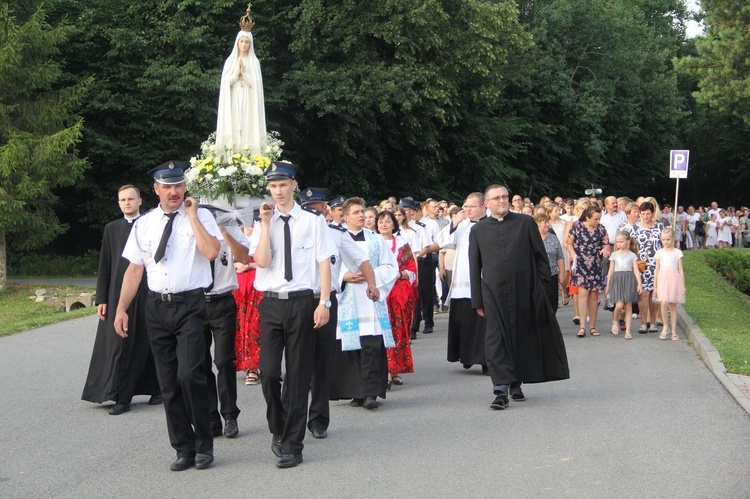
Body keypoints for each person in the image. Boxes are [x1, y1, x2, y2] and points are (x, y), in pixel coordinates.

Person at [115, 161, 222, 471]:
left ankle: (204, 445)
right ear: (156, 189)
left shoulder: (201, 217)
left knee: (190, 375)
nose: (174, 191)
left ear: (185, 188)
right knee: (168, 383)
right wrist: (121, 309)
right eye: (168, 186)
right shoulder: (144, 223)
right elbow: (135, 269)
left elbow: (212, 252)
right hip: (156, 307)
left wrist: (191, 216)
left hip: (190, 305)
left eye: (179, 186)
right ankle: (183, 448)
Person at [249, 163, 335, 468]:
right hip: (271, 303)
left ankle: (292, 444)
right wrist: (265, 223)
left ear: (294, 185)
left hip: (302, 301)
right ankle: (279, 426)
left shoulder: (312, 222)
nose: (278, 191)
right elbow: (261, 261)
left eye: (283, 185)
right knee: (269, 373)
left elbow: (324, 262)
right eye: (273, 186)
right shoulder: (263, 222)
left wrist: (324, 302)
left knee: (298, 375)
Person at [469, 185, 569, 410]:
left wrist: (540, 290)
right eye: (497, 198)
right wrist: (477, 300)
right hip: (493, 294)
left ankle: (516, 383)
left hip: (524, 291)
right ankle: (500, 389)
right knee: (496, 339)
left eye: (505, 196)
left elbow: (541, 260)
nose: (502, 201)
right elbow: (474, 267)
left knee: (521, 337)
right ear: (487, 204)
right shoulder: (479, 230)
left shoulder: (525, 224)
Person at [295, 187, 376, 439]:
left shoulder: (336, 235)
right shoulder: (293, 230)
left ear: (325, 209)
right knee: (296, 364)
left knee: (321, 363)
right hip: (296, 302)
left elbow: (361, 260)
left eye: (318, 206)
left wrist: (372, 284)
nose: (313, 210)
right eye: (308, 206)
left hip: (326, 300)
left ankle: (318, 419)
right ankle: (291, 419)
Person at [82, 185, 161, 415]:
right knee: (120, 342)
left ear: (140, 201)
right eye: (122, 199)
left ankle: (156, 388)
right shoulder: (111, 229)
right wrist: (102, 298)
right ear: (118, 203)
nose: (126, 203)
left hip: (147, 290)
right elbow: (105, 265)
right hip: (119, 293)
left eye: (130, 199)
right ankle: (119, 394)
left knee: (149, 339)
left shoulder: (150, 225)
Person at [330, 198, 398, 410]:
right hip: (348, 298)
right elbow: (328, 266)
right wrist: (345, 276)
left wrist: (371, 276)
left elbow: (390, 266)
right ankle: (356, 392)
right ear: (345, 216)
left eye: (363, 212)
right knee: (352, 347)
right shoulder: (335, 239)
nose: (361, 215)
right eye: (356, 212)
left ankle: (370, 393)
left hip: (371, 299)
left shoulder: (376, 240)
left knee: (371, 346)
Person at [203, 225, 251, 439]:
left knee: (224, 360)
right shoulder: (191, 226)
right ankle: (211, 416)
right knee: (199, 363)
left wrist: (225, 234)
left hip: (222, 301)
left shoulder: (229, 226)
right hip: (196, 302)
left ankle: (230, 415)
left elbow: (245, 256)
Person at [440, 193, 487, 373]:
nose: (466, 210)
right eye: (465, 206)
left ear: (483, 207)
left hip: (483, 279)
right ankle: (466, 355)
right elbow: (444, 242)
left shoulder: (491, 223)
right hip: (462, 280)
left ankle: (484, 359)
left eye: (471, 207)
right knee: (464, 320)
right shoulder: (462, 225)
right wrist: (453, 223)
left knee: (482, 321)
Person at [376, 210, 416, 387]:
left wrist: (398, 274)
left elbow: (411, 269)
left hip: (398, 293)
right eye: (381, 221)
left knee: (397, 332)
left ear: (394, 224)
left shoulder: (402, 244)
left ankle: (395, 370)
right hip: (377, 293)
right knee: (380, 331)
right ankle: (383, 371)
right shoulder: (371, 242)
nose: (384, 224)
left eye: (387, 221)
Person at [216, 29, 266, 154]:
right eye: (242, 41)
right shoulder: (230, 61)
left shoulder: (254, 62)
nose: (244, 45)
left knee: (247, 125)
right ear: (237, 43)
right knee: (233, 124)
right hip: (233, 98)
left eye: (247, 42)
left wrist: (244, 74)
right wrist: (237, 74)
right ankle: (231, 155)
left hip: (249, 100)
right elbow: (225, 83)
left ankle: (248, 155)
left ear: (251, 44)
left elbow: (256, 85)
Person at [566, 205, 611, 337]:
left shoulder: (601, 229)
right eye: (595, 219)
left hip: (595, 264)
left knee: (593, 295)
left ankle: (592, 326)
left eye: (599, 218)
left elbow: (606, 244)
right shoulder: (577, 226)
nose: (597, 221)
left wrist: (605, 250)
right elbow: (569, 243)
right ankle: (582, 327)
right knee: (583, 293)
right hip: (580, 262)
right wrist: (572, 253)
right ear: (587, 217)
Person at [233, 225, 263, 386]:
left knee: (255, 326)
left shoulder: (262, 230)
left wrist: (250, 265)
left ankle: (256, 366)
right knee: (240, 327)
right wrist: (236, 265)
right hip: (238, 287)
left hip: (257, 287)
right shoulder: (233, 231)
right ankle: (246, 364)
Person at [604, 231, 642, 339]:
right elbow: (610, 270)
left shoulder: (632, 255)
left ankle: (628, 331)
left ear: (628, 242)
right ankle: (615, 321)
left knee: (628, 305)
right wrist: (608, 284)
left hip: (629, 279)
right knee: (619, 305)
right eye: (617, 242)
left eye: (621, 241)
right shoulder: (614, 255)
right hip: (617, 279)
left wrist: (639, 284)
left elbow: (636, 270)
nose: (619, 244)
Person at [633, 201, 664, 333]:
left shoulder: (660, 227)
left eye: (648, 214)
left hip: (656, 264)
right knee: (643, 293)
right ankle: (643, 322)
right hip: (640, 265)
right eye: (643, 214)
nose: (645, 216)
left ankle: (653, 322)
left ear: (653, 213)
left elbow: (665, 245)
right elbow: (632, 248)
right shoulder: (634, 228)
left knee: (654, 293)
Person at [653, 227, 686, 341]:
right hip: (662, 278)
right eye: (663, 239)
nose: (666, 242)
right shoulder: (659, 253)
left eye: (668, 239)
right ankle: (665, 326)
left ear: (673, 239)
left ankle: (674, 331)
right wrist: (655, 286)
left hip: (673, 278)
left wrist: (682, 284)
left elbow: (680, 269)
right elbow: (656, 269)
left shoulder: (677, 252)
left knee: (672, 304)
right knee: (663, 302)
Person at [534, 213, 565, 312]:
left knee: (553, 301)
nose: (548, 224)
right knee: (539, 302)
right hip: (537, 276)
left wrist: (562, 273)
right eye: (545, 222)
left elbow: (559, 256)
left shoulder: (553, 238)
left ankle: (551, 323)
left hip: (552, 274)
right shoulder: (532, 238)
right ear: (537, 224)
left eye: (548, 222)